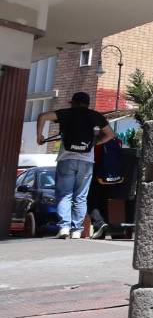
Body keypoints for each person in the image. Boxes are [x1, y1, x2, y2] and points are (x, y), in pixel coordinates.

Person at [35, 92, 116, 239]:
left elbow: (42, 116)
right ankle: (77, 230)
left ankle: (64, 227)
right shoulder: (94, 115)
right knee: (81, 196)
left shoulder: (66, 113)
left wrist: (39, 136)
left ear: (74, 102)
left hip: (67, 159)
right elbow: (110, 134)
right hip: (86, 161)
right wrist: (95, 143)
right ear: (87, 103)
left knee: (64, 194)